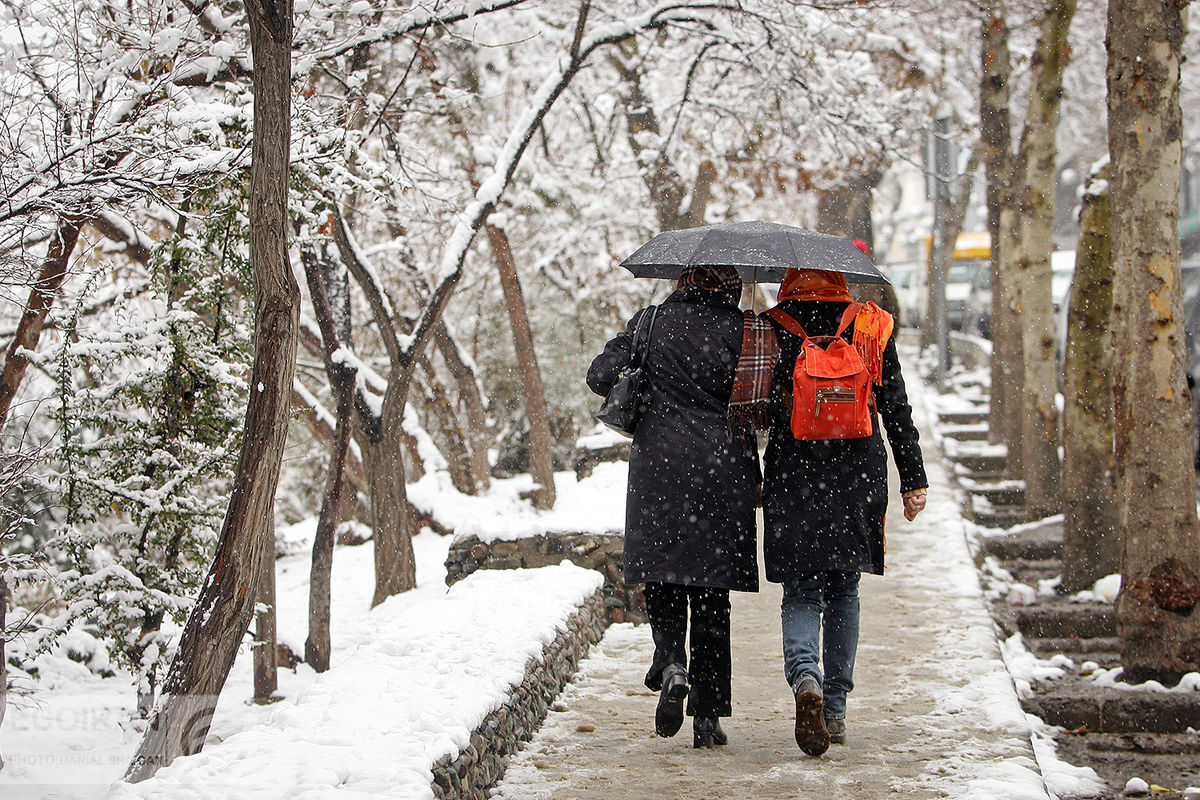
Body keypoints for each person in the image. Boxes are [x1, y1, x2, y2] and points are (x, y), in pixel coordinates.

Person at [586, 264, 760, 749]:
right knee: (711, 594)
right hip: (722, 468)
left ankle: (671, 663)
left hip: (660, 466)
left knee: (665, 577)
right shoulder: (746, 330)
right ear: (731, 285)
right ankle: (707, 716)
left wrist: (641, 369)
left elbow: (599, 376)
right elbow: (765, 400)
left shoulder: (651, 321)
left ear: (684, 277)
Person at [756, 267, 927, 757]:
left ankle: (805, 677)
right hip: (857, 472)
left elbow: (757, 408)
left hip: (795, 470)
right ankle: (834, 707)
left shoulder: (773, 326)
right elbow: (895, 406)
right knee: (844, 588)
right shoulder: (871, 325)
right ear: (840, 279)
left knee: (802, 585)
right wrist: (912, 478)